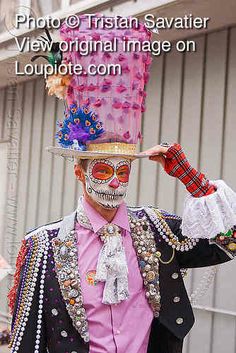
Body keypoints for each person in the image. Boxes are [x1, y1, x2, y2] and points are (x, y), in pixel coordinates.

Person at [8, 14, 236, 353]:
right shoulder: (43, 246)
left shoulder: (158, 231)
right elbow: (26, 340)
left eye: (124, 170)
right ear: (79, 172)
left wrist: (191, 178)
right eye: (103, 170)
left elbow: (229, 242)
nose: (115, 181)